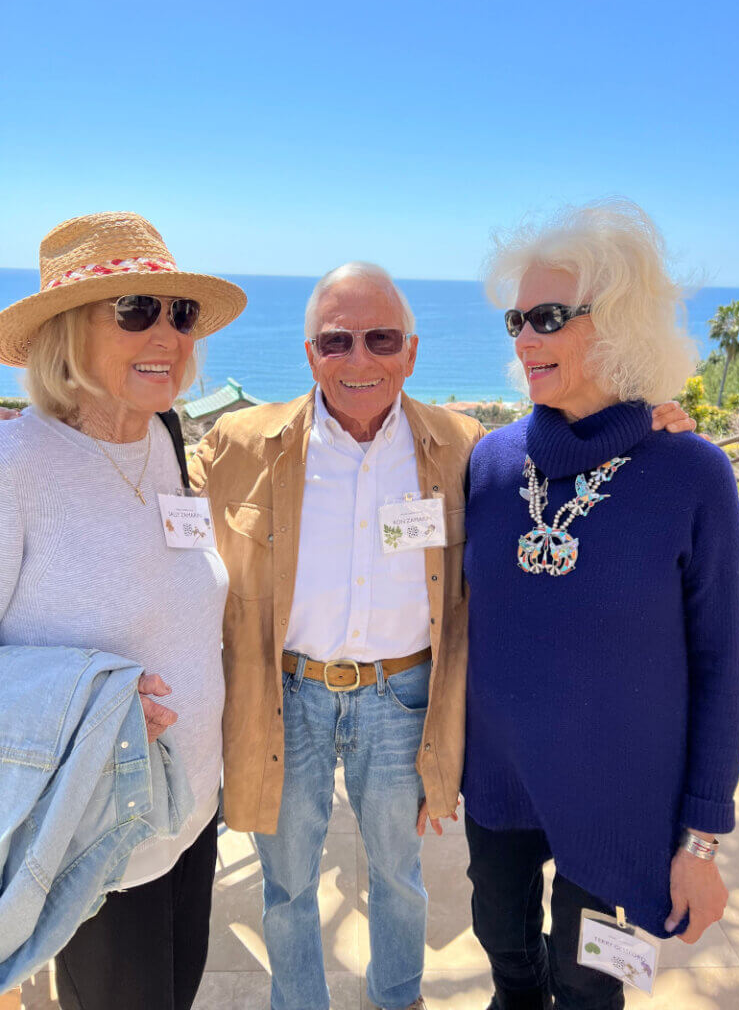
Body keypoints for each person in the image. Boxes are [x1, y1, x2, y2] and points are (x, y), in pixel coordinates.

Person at [188, 261, 693, 1010]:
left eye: (381, 338)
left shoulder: (461, 446)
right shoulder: (240, 443)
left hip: (403, 697)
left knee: (398, 874)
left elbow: (557, 469)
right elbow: (153, 489)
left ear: (412, 352)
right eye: (336, 341)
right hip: (285, 696)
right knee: (287, 879)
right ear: (309, 356)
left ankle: (399, 999)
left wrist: (643, 431)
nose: (359, 360)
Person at [462, 200, 739, 1010]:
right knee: (509, 963)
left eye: (548, 317)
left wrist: (700, 842)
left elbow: (721, 667)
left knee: (590, 988)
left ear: (617, 322)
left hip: (623, 803)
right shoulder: (487, 462)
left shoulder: (692, 475)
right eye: (516, 319)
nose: (524, 339)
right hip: (500, 791)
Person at [0, 211, 246, 1010]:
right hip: (93, 834)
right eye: (136, 310)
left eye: (180, 314)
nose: (170, 336)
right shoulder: (17, 467)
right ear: (67, 334)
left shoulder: (164, 437)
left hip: (188, 813)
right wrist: (89, 693)